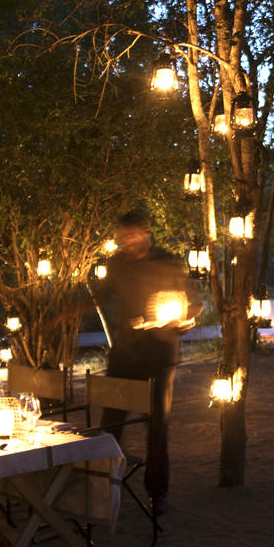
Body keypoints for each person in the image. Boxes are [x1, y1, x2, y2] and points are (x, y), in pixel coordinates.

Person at [89, 210, 201, 516]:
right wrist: (67, 311)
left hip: (159, 357)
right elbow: (100, 296)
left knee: (157, 428)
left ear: (146, 231)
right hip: (124, 355)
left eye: (131, 235)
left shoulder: (168, 262)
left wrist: (184, 321)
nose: (126, 241)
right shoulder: (117, 264)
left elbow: (193, 302)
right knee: (110, 424)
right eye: (122, 236)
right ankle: (104, 486)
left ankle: (157, 493)